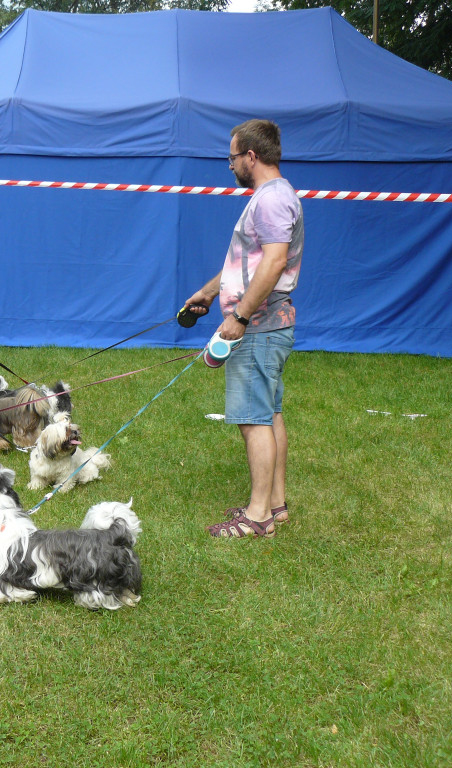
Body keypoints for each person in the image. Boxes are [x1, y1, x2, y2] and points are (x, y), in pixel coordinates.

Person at [184, 119, 304, 539]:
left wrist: (239, 317)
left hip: (259, 328)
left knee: (254, 419)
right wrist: (208, 292)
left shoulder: (271, 201)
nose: (230, 165)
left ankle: (257, 518)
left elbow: (273, 263)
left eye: (232, 157)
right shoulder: (273, 197)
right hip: (269, 325)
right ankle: (275, 504)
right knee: (269, 413)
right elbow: (247, 263)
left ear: (251, 156)